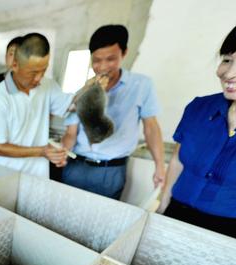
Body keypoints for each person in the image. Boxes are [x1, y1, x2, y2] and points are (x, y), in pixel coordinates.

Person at [158, 10, 236, 247]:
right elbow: (178, 159)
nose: (229, 72)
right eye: (227, 59)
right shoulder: (199, 108)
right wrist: (163, 204)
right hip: (175, 218)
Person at [61, 24, 165, 200]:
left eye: (110, 59)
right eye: (96, 60)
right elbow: (71, 133)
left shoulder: (141, 85)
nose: (102, 66)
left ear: (124, 53)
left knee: (101, 222)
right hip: (76, 167)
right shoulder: (83, 90)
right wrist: (61, 152)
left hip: (111, 171)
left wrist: (160, 166)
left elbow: (151, 127)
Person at [0, 33, 73, 177]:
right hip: (7, 177)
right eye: (33, 73)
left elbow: (70, 106)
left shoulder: (47, 86)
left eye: (44, 70)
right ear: (15, 65)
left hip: (38, 176)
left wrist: (91, 88)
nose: (39, 78)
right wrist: (42, 151)